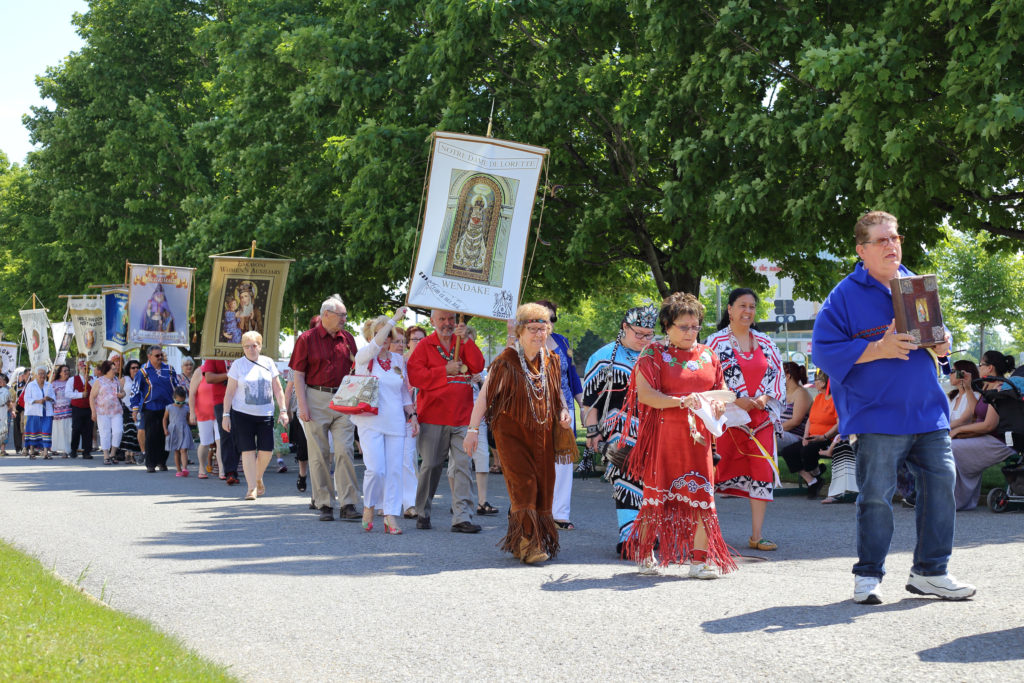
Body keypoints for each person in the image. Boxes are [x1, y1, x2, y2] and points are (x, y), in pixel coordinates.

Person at [813, 209, 974, 604]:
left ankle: (931, 572)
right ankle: (868, 575)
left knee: (941, 488)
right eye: (882, 240)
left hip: (928, 412)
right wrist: (877, 348)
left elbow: (941, 348)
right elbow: (823, 352)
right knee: (875, 498)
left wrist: (942, 345)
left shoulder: (916, 286)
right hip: (876, 414)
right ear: (861, 250)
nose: (892, 245)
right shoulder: (843, 296)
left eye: (896, 237)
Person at [619, 293, 737, 578]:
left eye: (695, 326)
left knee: (701, 499)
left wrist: (719, 406)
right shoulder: (653, 355)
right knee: (656, 499)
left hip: (699, 442)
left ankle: (699, 561)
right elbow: (647, 396)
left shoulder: (709, 356)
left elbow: (723, 394)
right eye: (683, 327)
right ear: (667, 326)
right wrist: (682, 401)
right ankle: (645, 553)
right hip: (664, 439)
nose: (690, 332)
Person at [464, 303, 576, 563]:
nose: (539, 334)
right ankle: (528, 543)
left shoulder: (552, 360)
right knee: (524, 485)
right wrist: (472, 429)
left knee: (543, 486)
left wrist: (562, 411)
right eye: (534, 329)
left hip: (543, 432)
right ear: (521, 331)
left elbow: (556, 392)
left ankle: (521, 539)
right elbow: (484, 396)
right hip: (511, 433)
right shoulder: (507, 360)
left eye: (544, 328)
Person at [707, 288, 785, 551]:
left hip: (760, 421)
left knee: (761, 471)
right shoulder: (715, 343)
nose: (747, 311)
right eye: (742, 305)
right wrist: (733, 398)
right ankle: (707, 534)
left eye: (752, 306)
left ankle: (757, 534)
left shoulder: (766, 343)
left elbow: (777, 378)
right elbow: (707, 379)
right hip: (726, 421)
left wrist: (763, 399)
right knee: (715, 471)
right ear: (729, 309)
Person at [582, 305, 658, 554]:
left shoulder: (657, 355)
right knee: (625, 482)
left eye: (650, 334)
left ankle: (649, 534)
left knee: (652, 484)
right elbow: (590, 401)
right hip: (619, 432)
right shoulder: (604, 357)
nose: (645, 340)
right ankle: (629, 538)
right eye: (639, 334)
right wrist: (592, 432)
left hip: (655, 431)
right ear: (624, 327)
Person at [407, 309, 485, 533]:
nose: (447, 323)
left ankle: (462, 517)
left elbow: (477, 366)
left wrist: (467, 341)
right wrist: (444, 371)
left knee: (463, 466)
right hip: (433, 416)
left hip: (462, 416)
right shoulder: (425, 346)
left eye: (451, 319)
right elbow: (415, 376)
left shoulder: (463, 341)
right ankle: (422, 510)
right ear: (432, 321)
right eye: (442, 319)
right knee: (431, 465)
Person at [289, 295, 361, 521]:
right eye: (342, 315)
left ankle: (348, 503)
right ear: (326, 315)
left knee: (344, 451)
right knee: (319, 454)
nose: (345, 319)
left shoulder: (348, 338)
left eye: (345, 315)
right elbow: (298, 374)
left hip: (343, 398)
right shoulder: (306, 339)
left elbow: (357, 368)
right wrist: (302, 405)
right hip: (316, 397)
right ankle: (324, 504)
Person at [352, 310, 416, 533]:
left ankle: (390, 515)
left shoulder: (398, 360)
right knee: (377, 469)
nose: (387, 339)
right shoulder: (364, 357)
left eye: (390, 335)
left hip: (396, 422)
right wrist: (393, 320)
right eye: (382, 334)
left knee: (395, 470)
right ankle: (369, 505)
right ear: (373, 336)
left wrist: (412, 415)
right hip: (370, 422)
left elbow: (404, 393)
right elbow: (375, 344)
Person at [535, 300, 584, 530]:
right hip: (537, 408)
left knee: (563, 461)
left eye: (552, 319)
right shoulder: (527, 342)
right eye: (544, 318)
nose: (549, 323)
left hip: (564, 410)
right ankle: (532, 509)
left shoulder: (562, 342)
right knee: (538, 459)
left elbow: (572, 376)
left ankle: (560, 514)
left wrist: (582, 405)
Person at [223, 331, 289, 500]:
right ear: (243, 348)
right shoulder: (238, 365)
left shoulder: (268, 362)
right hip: (242, 414)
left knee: (267, 451)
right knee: (248, 451)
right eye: (247, 346)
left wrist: (283, 410)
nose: (251, 349)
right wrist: (225, 414)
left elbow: (278, 389)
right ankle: (251, 487)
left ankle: (257, 477)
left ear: (260, 346)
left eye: (254, 345)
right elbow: (229, 393)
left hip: (265, 414)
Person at [951, 351, 1018, 510]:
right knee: (948, 446)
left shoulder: (1000, 389)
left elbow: (989, 424)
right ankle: (954, 498)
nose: (978, 368)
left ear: (990, 368)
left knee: (952, 448)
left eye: (981, 365)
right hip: (986, 437)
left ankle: (958, 500)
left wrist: (958, 430)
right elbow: (977, 412)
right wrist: (968, 388)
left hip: (998, 442)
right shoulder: (988, 385)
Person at [780, 371, 838, 499]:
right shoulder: (818, 398)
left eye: (817, 380)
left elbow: (839, 424)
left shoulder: (835, 400)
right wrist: (806, 436)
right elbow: (810, 420)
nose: (814, 382)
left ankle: (816, 473)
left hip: (827, 438)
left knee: (807, 451)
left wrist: (824, 436)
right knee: (788, 452)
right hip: (811, 437)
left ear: (823, 383)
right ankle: (813, 480)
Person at [461, 326, 498, 517]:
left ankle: (482, 502)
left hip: (479, 420)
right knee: (459, 462)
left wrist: (478, 381)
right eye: (465, 337)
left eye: (470, 338)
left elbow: (489, 393)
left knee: (482, 458)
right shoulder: (455, 361)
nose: (468, 340)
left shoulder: (479, 366)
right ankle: (458, 499)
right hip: (459, 417)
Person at [131, 345, 181, 473]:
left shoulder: (169, 370)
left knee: (165, 435)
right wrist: (135, 409)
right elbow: (135, 391)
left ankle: (162, 461)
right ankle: (150, 463)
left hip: (167, 408)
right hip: (151, 407)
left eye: (161, 355)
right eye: (157, 355)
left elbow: (177, 387)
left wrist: (180, 402)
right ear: (149, 356)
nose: (160, 357)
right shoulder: (143, 372)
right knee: (152, 436)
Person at [201, 356, 239, 484]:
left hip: (242, 400)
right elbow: (209, 377)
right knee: (226, 434)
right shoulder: (214, 355)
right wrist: (229, 375)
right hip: (221, 400)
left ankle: (236, 468)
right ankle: (230, 472)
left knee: (239, 436)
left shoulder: (242, 354)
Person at [189, 360, 220, 479]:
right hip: (203, 413)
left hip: (219, 411)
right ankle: (202, 468)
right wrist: (192, 412)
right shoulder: (199, 371)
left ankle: (222, 470)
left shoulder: (222, 371)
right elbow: (192, 393)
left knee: (220, 441)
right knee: (205, 442)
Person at [90, 360, 125, 465]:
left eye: (115, 369)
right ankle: (106, 455)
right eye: (113, 369)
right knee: (105, 432)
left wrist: (122, 394)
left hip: (116, 411)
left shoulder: (117, 381)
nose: (115, 371)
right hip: (102, 411)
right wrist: (93, 412)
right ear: (107, 370)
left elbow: (123, 392)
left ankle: (113, 453)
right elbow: (92, 396)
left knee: (118, 431)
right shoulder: (99, 381)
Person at [65, 356, 95, 459]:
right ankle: (74, 450)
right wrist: (80, 395)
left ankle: (87, 451)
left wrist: (89, 381)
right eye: (83, 368)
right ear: (79, 368)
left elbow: (96, 392)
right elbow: (68, 393)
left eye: (87, 368)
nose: (85, 370)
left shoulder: (93, 380)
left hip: (89, 408)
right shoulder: (72, 379)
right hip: (77, 407)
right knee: (76, 429)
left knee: (88, 430)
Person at [24, 366, 56, 459]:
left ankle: (46, 452)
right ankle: (32, 451)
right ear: (36, 375)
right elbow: (27, 398)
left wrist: (48, 398)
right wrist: (38, 401)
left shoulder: (48, 385)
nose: (42, 375)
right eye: (40, 373)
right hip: (34, 412)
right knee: (34, 431)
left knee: (46, 430)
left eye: (44, 373)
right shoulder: (31, 385)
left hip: (46, 412)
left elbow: (54, 398)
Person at [779, 362, 811, 450]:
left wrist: (774, 430)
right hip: (781, 433)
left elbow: (795, 421)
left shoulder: (801, 393)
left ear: (787, 376)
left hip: (795, 437)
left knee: (767, 437)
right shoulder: (782, 393)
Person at [164, 385, 193, 476]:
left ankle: (184, 468)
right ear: (174, 398)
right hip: (173, 430)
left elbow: (188, 420)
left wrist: (193, 422)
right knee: (176, 451)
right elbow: (164, 419)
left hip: (184, 429)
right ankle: (179, 469)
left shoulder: (186, 408)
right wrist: (165, 429)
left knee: (183, 449)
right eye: (178, 402)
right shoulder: (169, 408)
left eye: (182, 402)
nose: (180, 404)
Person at [947, 360, 982, 429]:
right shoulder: (953, 395)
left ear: (963, 373)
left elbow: (963, 421)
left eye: (953, 371)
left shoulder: (975, 395)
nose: (949, 374)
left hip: (963, 437)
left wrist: (941, 430)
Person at [120, 359, 142, 465]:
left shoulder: (141, 379)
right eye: (133, 368)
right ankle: (127, 455)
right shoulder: (124, 379)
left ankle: (132, 454)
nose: (135, 369)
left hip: (137, 409)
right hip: (126, 408)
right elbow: (118, 392)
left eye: (137, 367)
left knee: (135, 431)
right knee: (129, 430)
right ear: (129, 369)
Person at [50, 364, 73, 457]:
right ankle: (64, 450)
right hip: (58, 411)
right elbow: (51, 397)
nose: (67, 372)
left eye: (68, 370)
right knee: (61, 431)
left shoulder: (71, 382)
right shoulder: (54, 383)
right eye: (65, 371)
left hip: (70, 410)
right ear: (60, 373)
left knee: (69, 430)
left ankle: (70, 449)